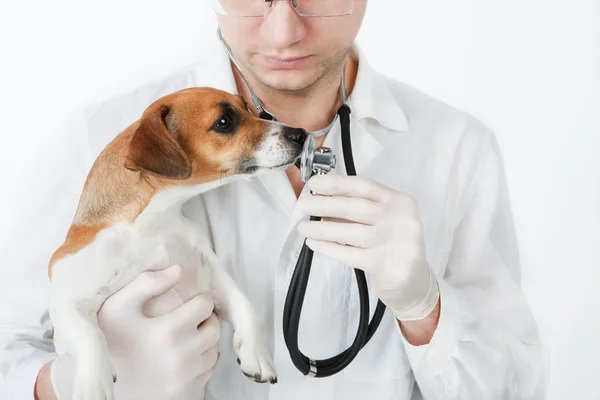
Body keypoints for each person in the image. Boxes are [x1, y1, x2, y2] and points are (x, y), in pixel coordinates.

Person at [0, 1, 550, 399]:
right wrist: (64, 385)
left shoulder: (458, 148)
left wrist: (426, 308)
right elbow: (9, 354)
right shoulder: (101, 141)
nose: (284, 29)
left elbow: (517, 388)